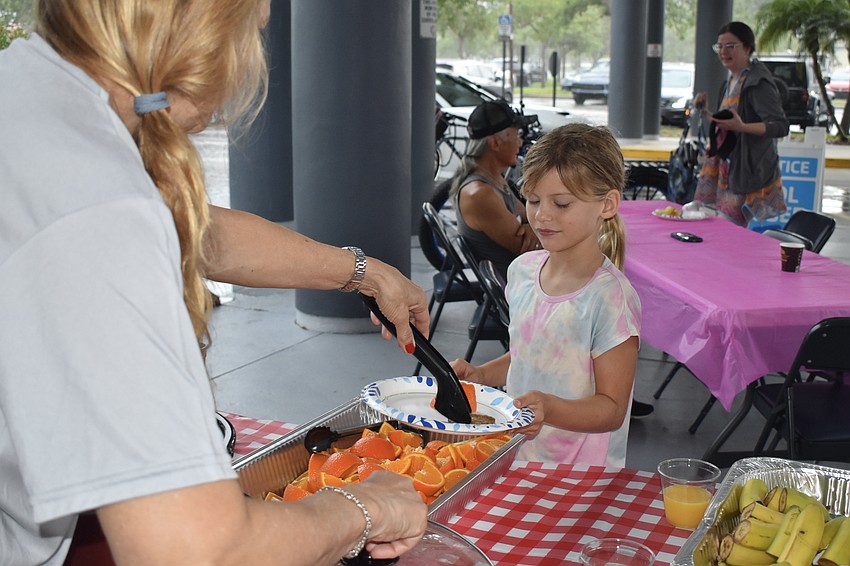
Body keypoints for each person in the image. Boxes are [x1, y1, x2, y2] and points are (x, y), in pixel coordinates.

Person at [0, 1, 428, 564]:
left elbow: (197, 229)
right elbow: (195, 549)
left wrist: (366, 273)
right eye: (253, 26)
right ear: (199, 25)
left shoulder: (31, 91)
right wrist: (365, 508)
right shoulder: (98, 212)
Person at [451, 124, 642, 467]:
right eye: (534, 200)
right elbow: (527, 354)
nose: (542, 215)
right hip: (516, 454)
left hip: (580, 475)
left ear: (607, 204)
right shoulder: (522, 272)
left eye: (562, 203)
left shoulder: (610, 299)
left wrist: (550, 408)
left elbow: (612, 408)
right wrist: (482, 375)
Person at [692, 21, 790, 227]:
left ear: (747, 47)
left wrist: (742, 127)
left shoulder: (757, 82)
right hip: (728, 169)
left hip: (747, 169)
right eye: (719, 46)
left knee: (730, 232)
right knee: (725, 229)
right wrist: (705, 111)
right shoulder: (730, 81)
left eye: (730, 46)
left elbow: (780, 125)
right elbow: (728, 123)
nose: (723, 52)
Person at [451, 99, 540, 281]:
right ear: (495, 143)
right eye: (515, 136)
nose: (520, 143)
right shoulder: (480, 194)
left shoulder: (495, 178)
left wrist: (531, 226)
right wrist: (534, 228)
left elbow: (527, 216)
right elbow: (530, 247)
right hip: (518, 287)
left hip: (525, 275)